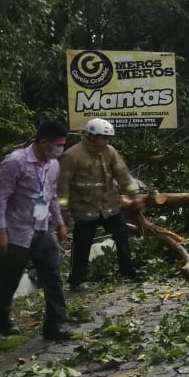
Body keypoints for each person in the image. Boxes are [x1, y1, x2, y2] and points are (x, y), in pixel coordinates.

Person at [0, 119, 74, 340]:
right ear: (44, 142)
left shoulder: (53, 165)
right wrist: (0, 231)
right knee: (9, 279)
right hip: (16, 231)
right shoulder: (16, 162)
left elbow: (51, 195)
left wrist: (60, 223)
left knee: (53, 275)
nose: (60, 149)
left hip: (43, 228)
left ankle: (55, 324)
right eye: (57, 145)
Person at [58, 117, 145, 290]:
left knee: (122, 237)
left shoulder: (110, 152)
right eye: (102, 138)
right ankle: (76, 280)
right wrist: (63, 209)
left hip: (109, 206)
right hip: (84, 208)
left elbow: (123, 175)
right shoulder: (72, 155)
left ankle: (128, 271)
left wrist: (135, 195)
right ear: (90, 136)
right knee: (82, 246)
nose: (105, 142)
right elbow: (63, 185)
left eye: (107, 138)